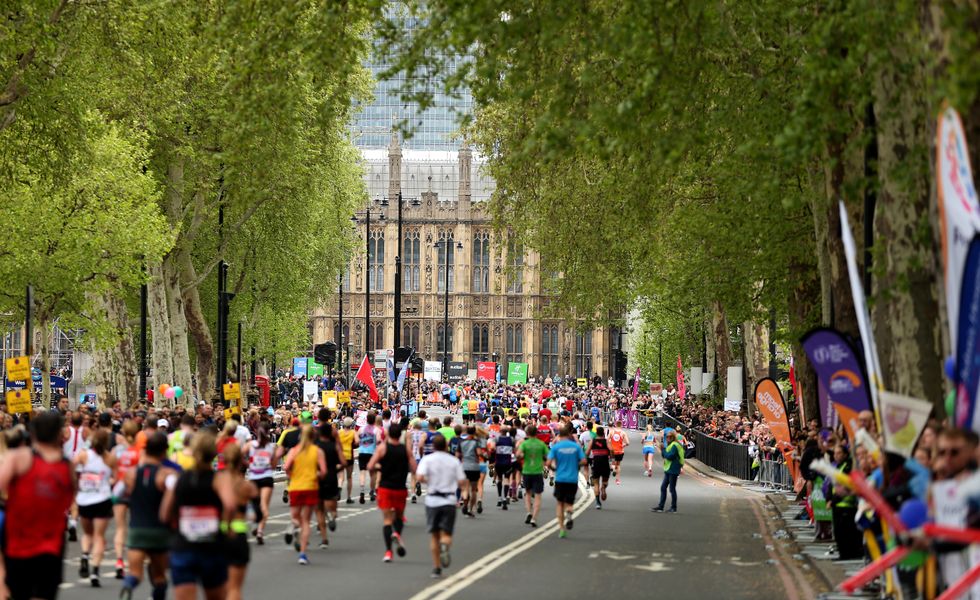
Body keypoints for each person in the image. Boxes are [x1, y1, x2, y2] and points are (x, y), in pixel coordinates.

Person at [0, 411, 75, 600]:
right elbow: (71, 499)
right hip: (52, 544)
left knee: (19, 593)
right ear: (60, 434)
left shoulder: (19, 458)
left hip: (18, 542)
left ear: (32, 433)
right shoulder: (68, 466)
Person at [160, 432, 238, 600]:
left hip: (184, 547)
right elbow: (230, 505)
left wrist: (174, 528)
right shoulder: (219, 480)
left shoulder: (178, 479)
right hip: (211, 547)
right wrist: (226, 526)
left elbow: (164, 513)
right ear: (214, 454)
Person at [120, 432, 175, 600]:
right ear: (164, 451)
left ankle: (128, 585)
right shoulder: (167, 474)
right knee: (159, 576)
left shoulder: (131, 474)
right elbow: (171, 503)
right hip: (159, 531)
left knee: (135, 573)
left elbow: (118, 494)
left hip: (137, 529)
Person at [415, 433, 467, 578]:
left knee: (434, 536)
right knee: (446, 534)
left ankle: (437, 567)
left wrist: (429, 481)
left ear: (433, 446)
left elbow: (419, 477)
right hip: (449, 500)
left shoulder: (427, 459)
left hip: (432, 499)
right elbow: (462, 481)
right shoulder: (453, 461)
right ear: (446, 446)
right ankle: (445, 545)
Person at [367, 422, 416, 563]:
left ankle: (388, 552)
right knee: (399, 517)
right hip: (400, 488)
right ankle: (397, 534)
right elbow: (414, 469)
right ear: (400, 435)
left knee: (387, 520)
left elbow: (370, 466)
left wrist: (380, 466)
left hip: (385, 488)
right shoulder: (405, 450)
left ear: (388, 434)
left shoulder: (382, 448)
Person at [74, 429, 117, 587]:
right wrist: (106, 481)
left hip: (84, 499)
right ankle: (95, 571)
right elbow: (115, 478)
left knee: (87, 534)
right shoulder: (110, 458)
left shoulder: (84, 455)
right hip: (102, 500)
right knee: (99, 536)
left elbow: (70, 468)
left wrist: (79, 482)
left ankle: (85, 555)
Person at [283, 425, 326, 565]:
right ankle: (302, 554)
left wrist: (293, 475)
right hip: (311, 487)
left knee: (295, 517)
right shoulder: (317, 451)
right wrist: (316, 475)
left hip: (295, 487)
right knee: (306, 521)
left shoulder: (294, 451)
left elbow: (286, 467)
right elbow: (324, 472)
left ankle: (292, 526)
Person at [222, 443, 257, 600]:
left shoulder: (216, 482)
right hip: (238, 534)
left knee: (217, 587)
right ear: (240, 462)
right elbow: (259, 514)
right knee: (234, 588)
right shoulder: (247, 486)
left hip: (218, 534)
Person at [112, 420, 141, 579]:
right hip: (136, 491)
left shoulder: (116, 451)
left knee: (120, 528)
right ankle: (135, 560)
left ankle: (119, 560)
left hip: (120, 490)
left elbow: (112, 470)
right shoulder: (140, 451)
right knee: (135, 526)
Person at [547, 423, 586, 538]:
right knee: (569, 502)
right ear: (569, 434)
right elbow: (584, 461)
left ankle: (562, 529)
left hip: (560, 478)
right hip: (572, 479)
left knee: (559, 503)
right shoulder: (575, 446)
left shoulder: (556, 447)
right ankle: (569, 512)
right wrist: (576, 464)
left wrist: (554, 468)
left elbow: (548, 463)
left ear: (559, 434)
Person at [315, 422, 346, 548]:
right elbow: (343, 462)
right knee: (332, 504)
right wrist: (335, 470)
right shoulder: (335, 446)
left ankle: (324, 539)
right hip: (331, 477)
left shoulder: (315, 447)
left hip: (317, 479)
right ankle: (333, 517)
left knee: (319, 510)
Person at [244, 424, 276, 544]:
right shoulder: (271, 447)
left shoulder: (250, 445)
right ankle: (260, 531)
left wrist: (249, 464)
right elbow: (273, 465)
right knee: (264, 505)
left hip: (254, 477)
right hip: (266, 477)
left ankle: (256, 525)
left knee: (254, 505)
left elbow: (238, 454)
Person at [516, 424, 549, 526]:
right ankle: (534, 518)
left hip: (526, 471)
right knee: (538, 496)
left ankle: (529, 512)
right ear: (537, 433)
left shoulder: (524, 444)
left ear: (527, 433)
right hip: (537, 472)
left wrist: (522, 456)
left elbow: (518, 455)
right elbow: (548, 456)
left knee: (528, 494)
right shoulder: (541, 444)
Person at [652, 430, 684, 513]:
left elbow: (670, 456)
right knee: (663, 487)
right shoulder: (671, 445)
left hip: (673, 469)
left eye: (669, 437)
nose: (668, 439)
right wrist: (663, 450)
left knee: (672, 489)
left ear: (673, 438)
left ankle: (673, 507)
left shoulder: (675, 445)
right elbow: (664, 455)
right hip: (669, 469)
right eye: (667, 437)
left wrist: (663, 450)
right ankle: (661, 506)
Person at [456, 425, 484, 517]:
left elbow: (457, 455)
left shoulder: (462, 442)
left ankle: (465, 503)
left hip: (464, 466)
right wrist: (484, 456)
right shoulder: (476, 442)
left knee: (465, 488)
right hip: (474, 467)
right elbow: (479, 453)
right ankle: (470, 509)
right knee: (473, 490)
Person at [357, 412, 381, 504]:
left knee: (362, 473)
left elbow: (357, 438)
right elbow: (378, 440)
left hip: (362, 452)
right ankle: (372, 491)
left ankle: (362, 491)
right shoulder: (376, 430)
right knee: (373, 474)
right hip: (372, 453)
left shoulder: (361, 429)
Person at [588, 426, 611, 509]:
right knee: (605, 481)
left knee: (596, 483)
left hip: (596, 463)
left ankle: (598, 502)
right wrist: (611, 457)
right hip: (605, 463)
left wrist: (586, 458)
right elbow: (611, 450)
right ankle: (603, 488)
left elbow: (587, 452)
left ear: (597, 433)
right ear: (603, 433)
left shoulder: (593, 441)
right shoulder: (606, 441)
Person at [337, 417, 358, 504]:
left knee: (341, 476)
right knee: (349, 477)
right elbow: (357, 442)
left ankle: (339, 487)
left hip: (340, 456)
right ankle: (349, 497)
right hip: (349, 456)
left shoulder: (339, 432)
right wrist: (353, 445)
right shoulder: (353, 432)